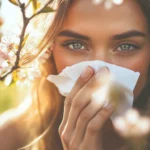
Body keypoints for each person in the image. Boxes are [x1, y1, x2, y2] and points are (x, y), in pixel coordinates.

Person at [0, 0, 150, 149]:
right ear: (49, 50)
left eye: (126, 46)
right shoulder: (9, 139)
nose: (100, 74)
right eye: (76, 45)